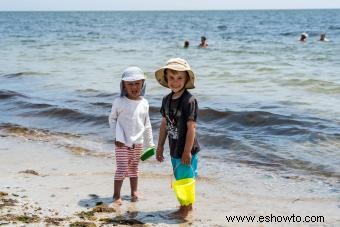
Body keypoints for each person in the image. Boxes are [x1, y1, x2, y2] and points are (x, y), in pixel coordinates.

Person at [154, 58, 200, 218]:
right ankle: (185, 206)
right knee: (180, 177)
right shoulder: (166, 100)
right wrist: (159, 146)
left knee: (186, 179)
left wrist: (187, 151)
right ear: (166, 79)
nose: (175, 82)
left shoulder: (189, 101)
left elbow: (191, 128)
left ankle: (186, 209)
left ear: (187, 79)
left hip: (187, 149)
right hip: (174, 148)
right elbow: (164, 123)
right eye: (172, 78)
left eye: (180, 78)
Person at [109, 66, 154, 205]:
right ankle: (116, 195)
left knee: (134, 168)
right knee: (122, 168)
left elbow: (147, 124)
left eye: (137, 84)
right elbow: (112, 119)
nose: (134, 87)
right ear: (123, 85)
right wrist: (117, 137)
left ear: (143, 85)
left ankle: (134, 191)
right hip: (122, 143)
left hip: (138, 143)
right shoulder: (119, 102)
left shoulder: (144, 103)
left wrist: (150, 143)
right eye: (130, 84)